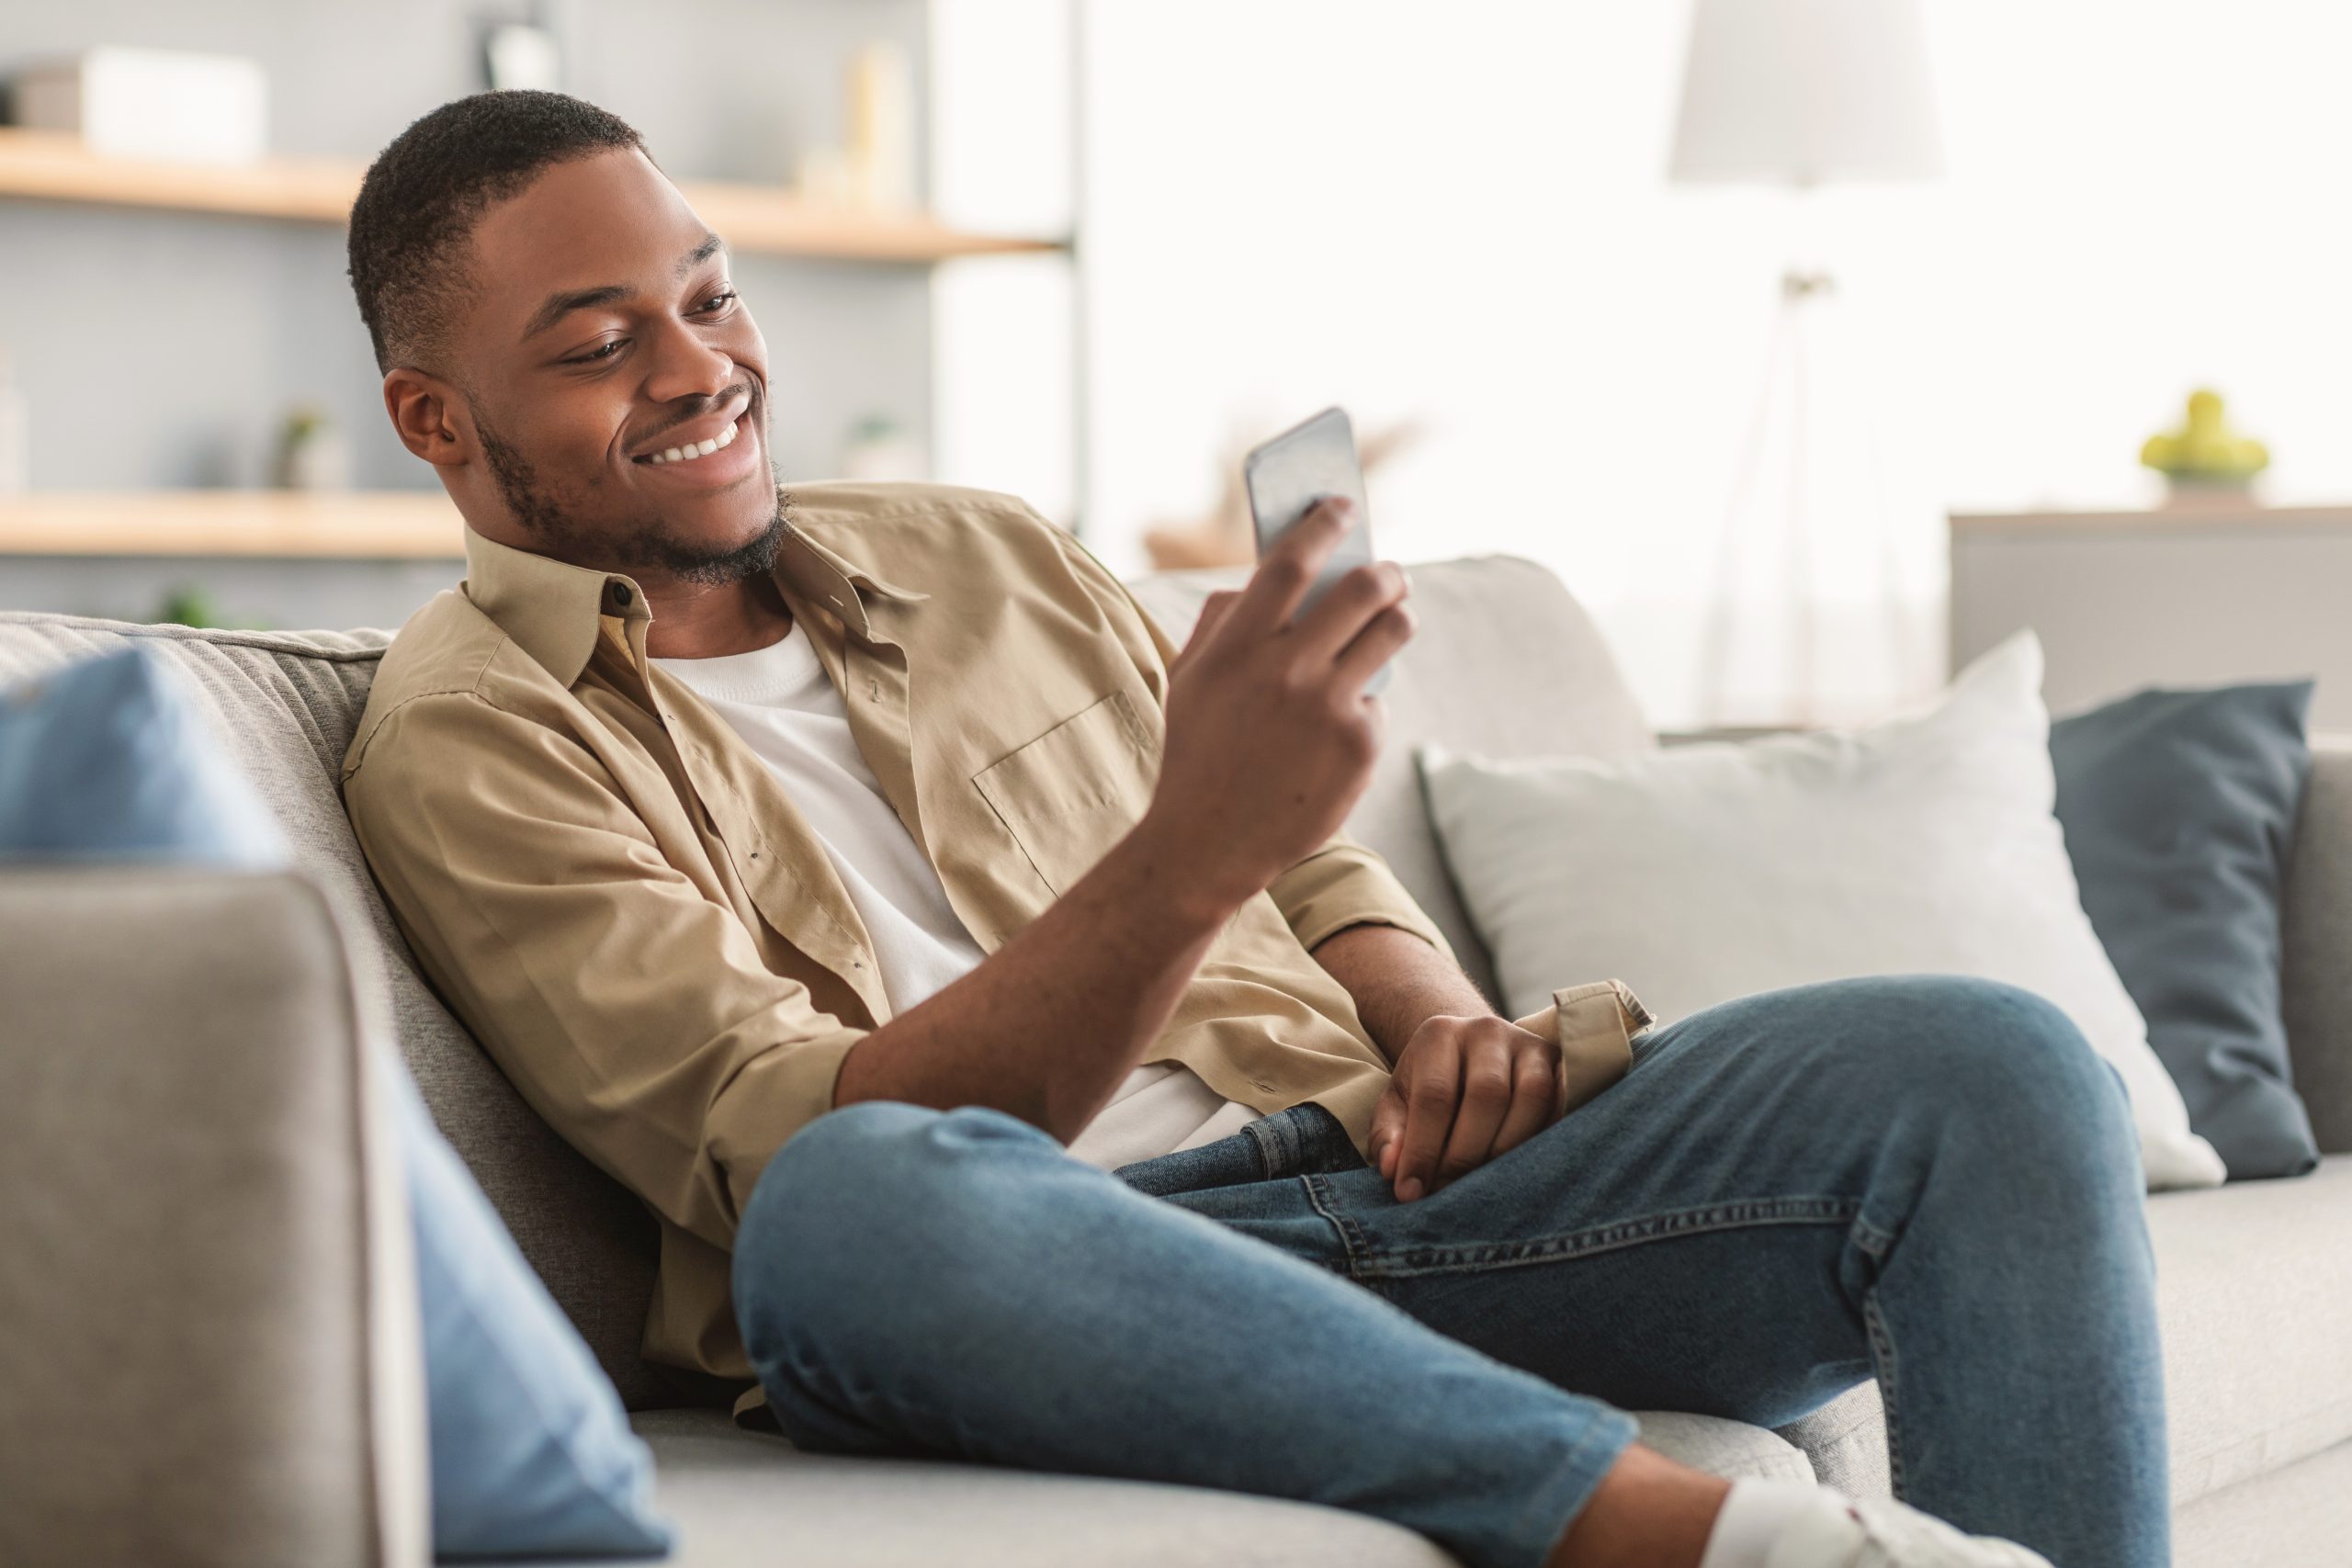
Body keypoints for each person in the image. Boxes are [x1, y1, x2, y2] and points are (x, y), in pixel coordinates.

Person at [338, 91, 2166, 1568]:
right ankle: (1676, 1536)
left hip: (1382, 1183)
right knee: (853, 1197)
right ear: (437, 418)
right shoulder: (469, 739)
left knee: (1992, 1066)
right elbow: (787, 1147)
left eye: (710, 295)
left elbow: (1297, 849)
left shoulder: (981, 549)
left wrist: (1433, 1011)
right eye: (598, 341)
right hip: (1029, 1279)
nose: (696, 366)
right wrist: (1185, 853)